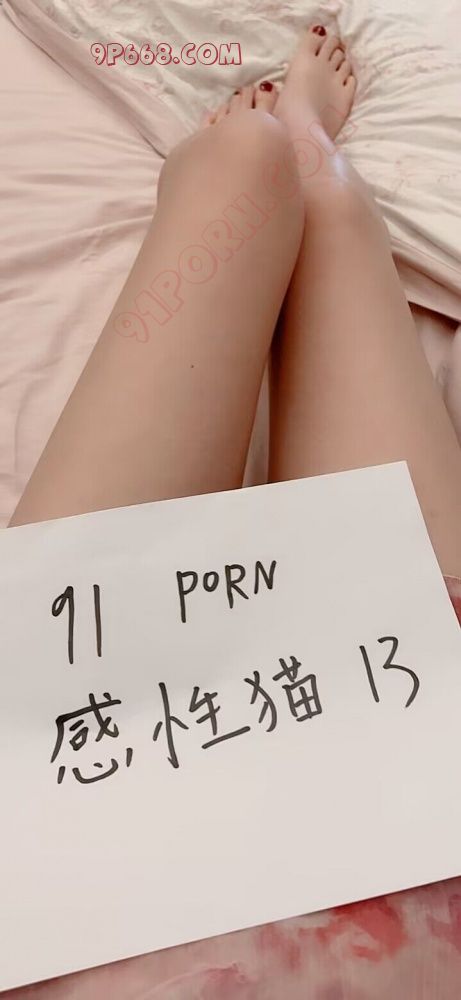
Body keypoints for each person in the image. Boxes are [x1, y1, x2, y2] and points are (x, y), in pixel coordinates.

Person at [6, 25, 461, 1000]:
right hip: (414, 814)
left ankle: (263, 154)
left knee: (238, 167)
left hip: (61, 789)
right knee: (313, 201)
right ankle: (307, 149)